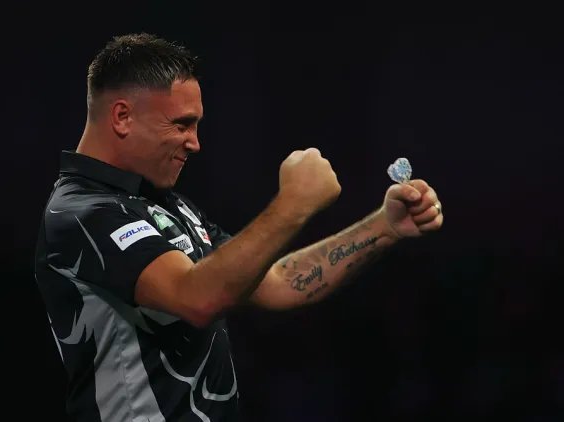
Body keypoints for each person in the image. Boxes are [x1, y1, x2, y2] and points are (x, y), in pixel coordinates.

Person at [34, 32, 444, 422]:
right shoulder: (79, 212)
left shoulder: (163, 203)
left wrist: (384, 227)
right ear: (122, 116)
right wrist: (294, 204)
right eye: (181, 124)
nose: (195, 143)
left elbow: (276, 283)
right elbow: (198, 298)